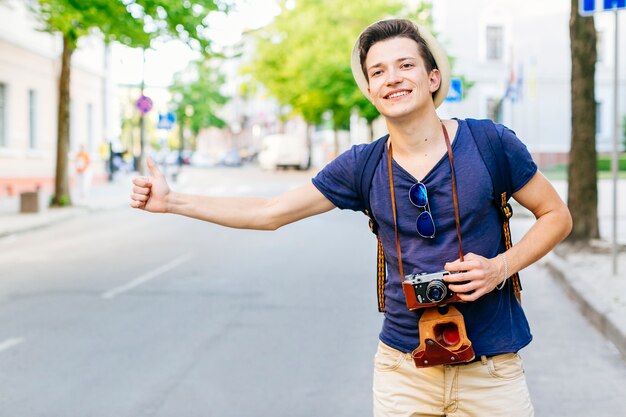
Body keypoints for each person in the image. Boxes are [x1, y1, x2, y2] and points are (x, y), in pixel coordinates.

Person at [130, 19, 572, 417]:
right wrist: (173, 202)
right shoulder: (362, 165)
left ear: (433, 77)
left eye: (405, 65)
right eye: (377, 72)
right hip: (404, 371)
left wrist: (500, 267)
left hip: (492, 370)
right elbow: (269, 212)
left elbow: (556, 215)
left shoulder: (489, 142)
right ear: (369, 90)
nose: (392, 79)